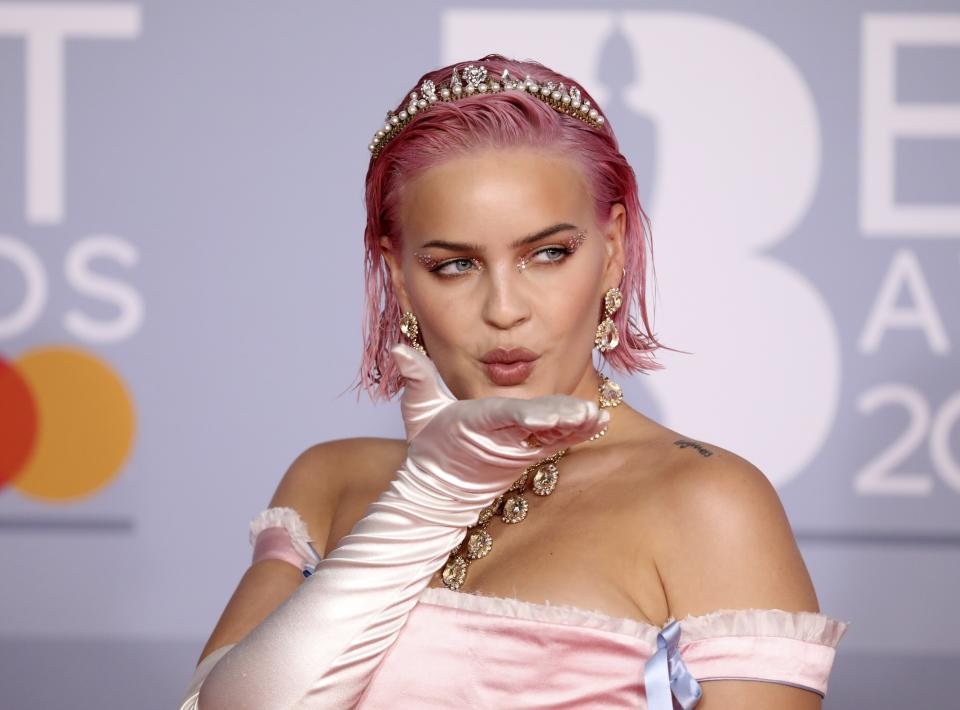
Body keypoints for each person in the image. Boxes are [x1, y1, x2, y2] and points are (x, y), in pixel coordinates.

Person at [178, 53, 849, 709]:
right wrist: (426, 501)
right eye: (454, 266)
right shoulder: (332, 480)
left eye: (548, 254)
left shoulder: (708, 504)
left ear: (612, 252)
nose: (505, 309)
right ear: (399, 279)